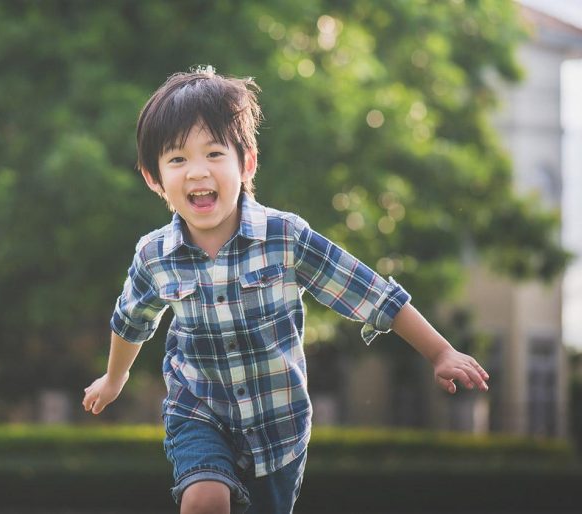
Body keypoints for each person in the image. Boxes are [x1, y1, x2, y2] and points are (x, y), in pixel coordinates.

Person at [82, 66, 489, 514]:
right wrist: (114, 378)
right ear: (153, 177)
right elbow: (131, 320)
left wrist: (440, 353)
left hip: (279, 426)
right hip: (197, 410)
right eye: (177, 159)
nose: (197, 172)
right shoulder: (154, 255)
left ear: (247, 162)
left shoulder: (285, 237)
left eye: (214, 153)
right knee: (204, 497)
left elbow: (369, 291)